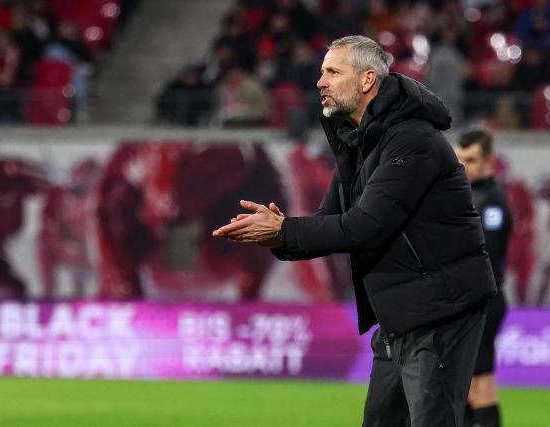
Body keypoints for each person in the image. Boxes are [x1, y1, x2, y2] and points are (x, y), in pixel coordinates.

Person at [213, 35, 497, 426]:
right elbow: (330, 219)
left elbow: (365, 227)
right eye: (321, 72)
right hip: (401, 315)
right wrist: (276, 234)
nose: (320, 82)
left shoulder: (412, 139)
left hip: (441, 310)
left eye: (332, 72)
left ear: (366, 80)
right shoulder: (359, 142)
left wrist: (284, 231)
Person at [456, 129, 512, 427]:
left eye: (472, 159)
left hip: (484, 301)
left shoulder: (492, 202)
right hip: (470, 301)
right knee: (463, 385)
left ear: (489, 161)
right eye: (460, 159)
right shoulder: (472, 195)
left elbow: (484, 255)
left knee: (480, 382)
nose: (464, 166)